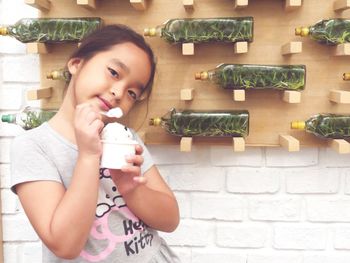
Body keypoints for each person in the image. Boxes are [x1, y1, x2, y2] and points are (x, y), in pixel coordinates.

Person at [10, 24, 181, 263]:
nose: (120, 92)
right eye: (113, 72)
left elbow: (170, 220)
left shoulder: (126, 138)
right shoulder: (34, 147)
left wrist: (132, 189)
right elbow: (64, 245)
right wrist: (89, 156)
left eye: (133, 93)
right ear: (76, 64)